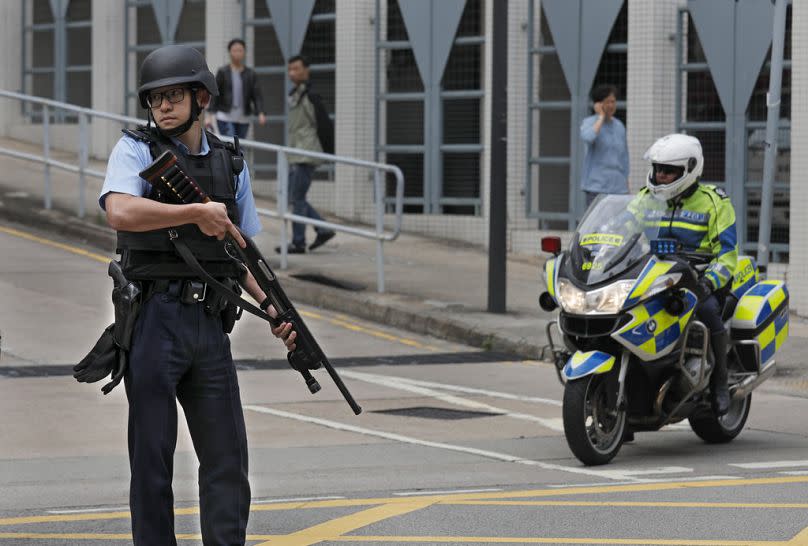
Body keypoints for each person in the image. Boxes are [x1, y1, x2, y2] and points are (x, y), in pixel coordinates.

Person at [99, 45, 296, 545]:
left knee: (228, 461)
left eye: (172, 96)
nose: (162, 107)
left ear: (200, 97)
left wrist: (275, 311)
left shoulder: (231, 163)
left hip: (210, 325)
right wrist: (194, 213)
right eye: (154, 99)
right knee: (151, 462)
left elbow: (243, 250)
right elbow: (120, 211)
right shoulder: (136, 150)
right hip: (152, 321)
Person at [636, 133, 737, 416]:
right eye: (658, 169)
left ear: (689, 169)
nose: (660, 176)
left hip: (695, 280)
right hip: (653, 278)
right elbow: (620, 229)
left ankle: (719, 382)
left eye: (669, 171)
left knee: (709, 314)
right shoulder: (646, 198)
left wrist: (707, 282)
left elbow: (728, 256)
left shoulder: (714, 202)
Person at [276, 54, 335, 254]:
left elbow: (324, 124)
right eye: (290, 69)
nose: (292, 72)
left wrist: (328, 150)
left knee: (297, 197)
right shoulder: (296, 94)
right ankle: (323, 228)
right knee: (296, 196)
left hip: (306, 154)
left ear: (306, 70)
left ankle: (299, 242)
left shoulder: (311, 95)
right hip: (297, 153)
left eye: (296, 68)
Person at [580, 84, 630, 207]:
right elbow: (588, 137)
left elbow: (624, 157)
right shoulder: (590, 123)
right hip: (596, 187)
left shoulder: (619, 126)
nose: (611, 105)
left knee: (618, 225)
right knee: (596, 225)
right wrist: (601, 117)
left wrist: (626, 182)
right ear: (598, 104)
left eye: (613, 101)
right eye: (607, 102)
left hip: (619, 188)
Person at [207, 38, 266, 139]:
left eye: (240, 50)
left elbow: (256, 94)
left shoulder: (250, 74)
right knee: (231, 143)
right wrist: (209, 114)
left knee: (240, 147)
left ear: (244, 52)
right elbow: (215, 93)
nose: (237, 53)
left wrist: (260, 112)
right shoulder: (223, 72)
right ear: (229, 52)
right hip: (225, 115)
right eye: (234, 50)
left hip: (243, 117)